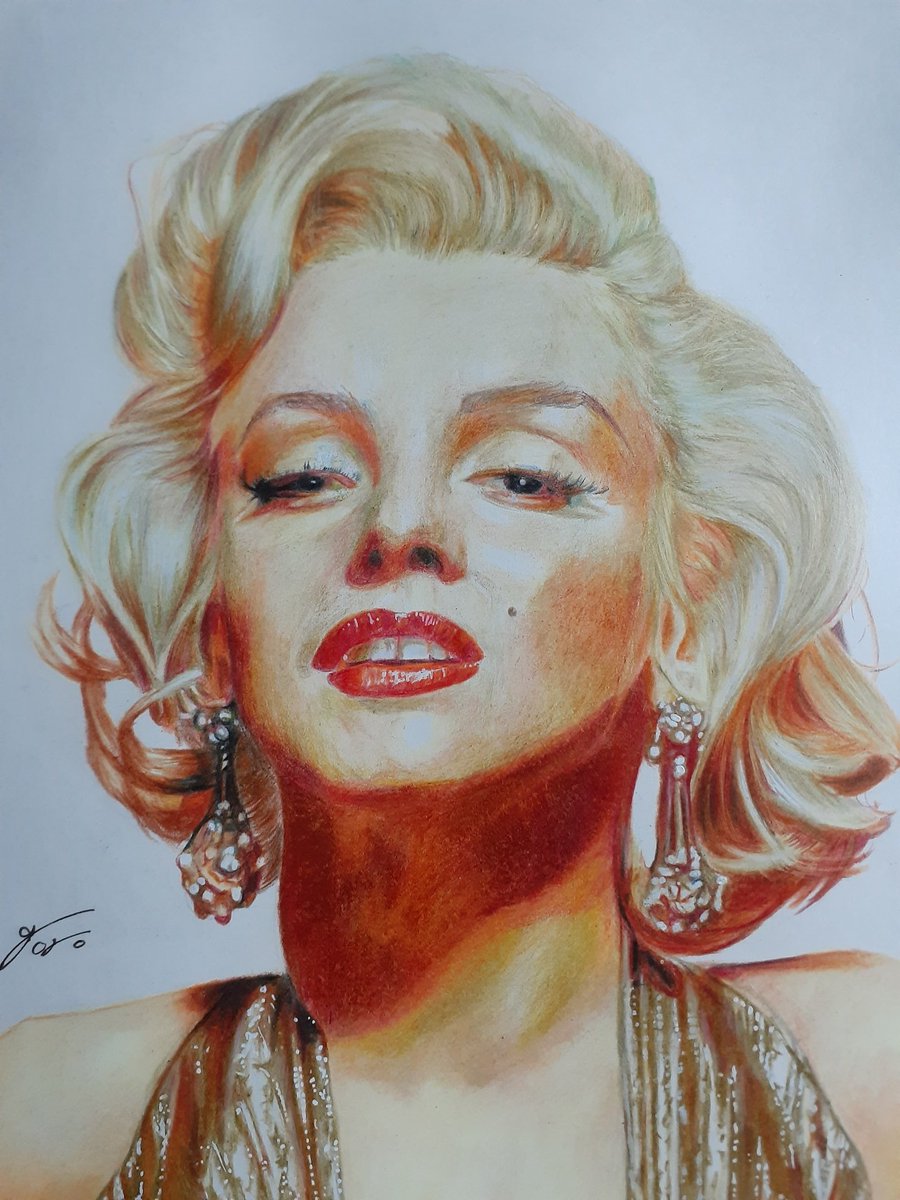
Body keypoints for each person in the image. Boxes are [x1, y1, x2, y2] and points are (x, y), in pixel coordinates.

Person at [1, 52, 898, 1199]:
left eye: (524, 475)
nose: (400, 527)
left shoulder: (867, 1088)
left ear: (690, 602)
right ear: (209, 617)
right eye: (302, 476)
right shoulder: (47, 1126)